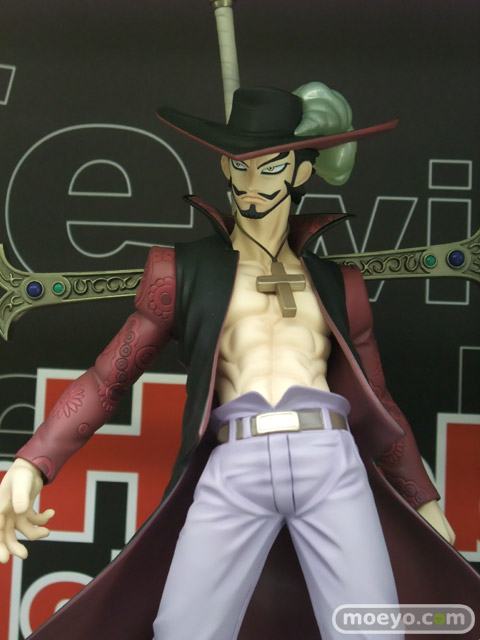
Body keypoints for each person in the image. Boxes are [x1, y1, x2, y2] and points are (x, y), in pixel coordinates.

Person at [0, 83, 478, 640]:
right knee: (184, 629)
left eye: (270, 168)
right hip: (237, 462)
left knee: (369, 629)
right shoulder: (183, 272)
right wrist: (34, 461)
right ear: (225, 169)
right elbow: (110, 376)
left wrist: (423, 498)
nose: (251, 185)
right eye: (240, 166)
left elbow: (379, 400)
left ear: (302, 172)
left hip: (330, 461)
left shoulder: (338, 284)